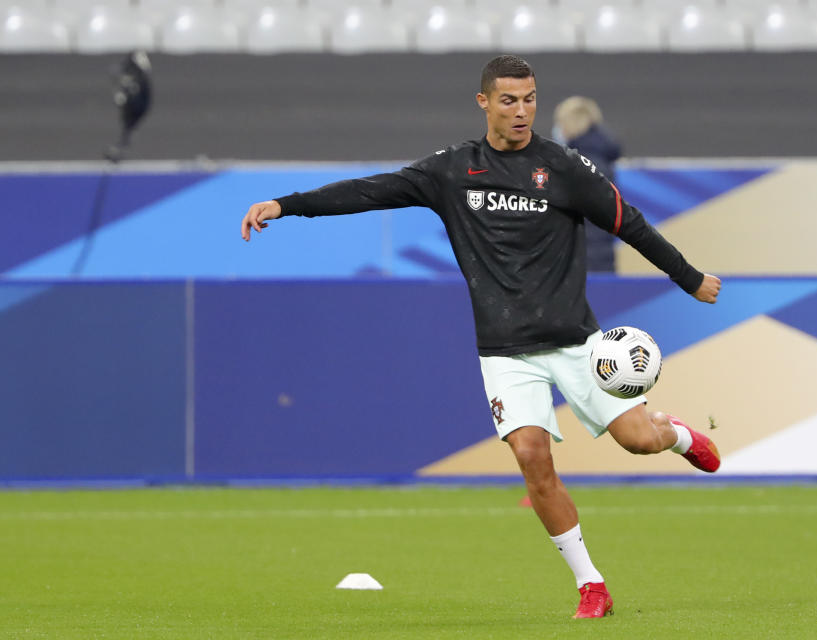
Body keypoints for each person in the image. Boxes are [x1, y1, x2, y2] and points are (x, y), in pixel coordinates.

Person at [240, 55, 722, 620]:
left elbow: (628, 221)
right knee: (530, 454)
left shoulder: (564, 168)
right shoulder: (451, 171)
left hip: (574, 341)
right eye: (510, 100)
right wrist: (286, 205)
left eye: (530, 99)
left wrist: (688, 278)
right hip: (505, 349)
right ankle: (592, 585)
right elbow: (369, 192)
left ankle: (679, 436)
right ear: (485, 103)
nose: (522, 112)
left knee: (639, 441)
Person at [552, 96, 620, 272]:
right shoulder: (599, 161)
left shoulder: (581, 164)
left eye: (561, 123)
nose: (558, 129)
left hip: (585, 260)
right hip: (597, 257)